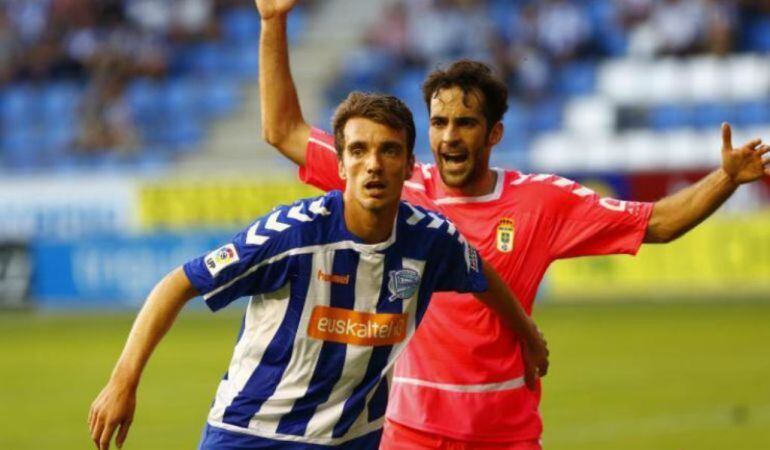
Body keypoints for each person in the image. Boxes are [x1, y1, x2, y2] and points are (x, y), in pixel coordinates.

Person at [255, 1, 770, 448]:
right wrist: (273, 22)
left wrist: (725, 179)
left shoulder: (541, 202)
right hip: (409, 430)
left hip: (505, 432)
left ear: (494, 133)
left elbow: (656, 223)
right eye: (439, 123)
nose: (449, 137)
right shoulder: (396, 183)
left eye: (465, 123)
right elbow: (283, 130)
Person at [87, 92, 548, 450]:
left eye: (389, 151)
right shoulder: (292, 235)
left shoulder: (431, 240)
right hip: (252, 433)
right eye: (359, 151)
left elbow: (479, 273)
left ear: (409, 165)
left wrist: (526, 334)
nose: (373, 165)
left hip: (351, 439)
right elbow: (178, 283)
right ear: (341, 164)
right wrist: (123, 382)